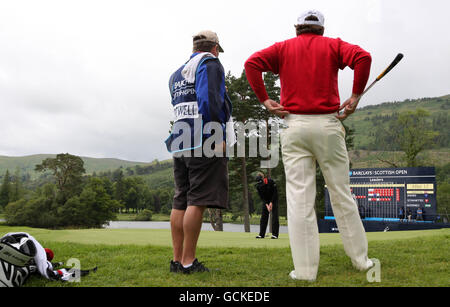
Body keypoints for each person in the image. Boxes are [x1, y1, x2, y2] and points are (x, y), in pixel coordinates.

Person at [245, 9, 373, 281]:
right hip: (327, 125)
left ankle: (304, 272)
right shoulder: (334, 45)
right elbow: (363, 57)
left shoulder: (283, 48)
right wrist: (355, 95)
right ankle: (361, 262)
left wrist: (265, 100)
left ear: (297, 28)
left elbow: (251, 63)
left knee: (300, 200)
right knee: (341, 194)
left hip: (294, 126)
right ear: (321, 30)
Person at [166, 30, 232, 274]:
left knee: (181, 198)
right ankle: (188, 261)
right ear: (214, 48)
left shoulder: (176, 73)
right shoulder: (210, 64)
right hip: (203, 138)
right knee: (198, 199)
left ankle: (176, 260)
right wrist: (217, 134)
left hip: (180, 139)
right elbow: (209, 100)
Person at [255, 172, 280, 239]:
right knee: (263, 217)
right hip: (266, 201)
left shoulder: (270, 182)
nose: (260, 184)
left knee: (274, 217)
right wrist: (267, 205)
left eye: (261, 181)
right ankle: (261, 234)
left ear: (263, 178)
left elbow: (275, 193)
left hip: (274, 199)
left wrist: (271, 203)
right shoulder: (258, 186)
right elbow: (262, 197)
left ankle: (275, 235)